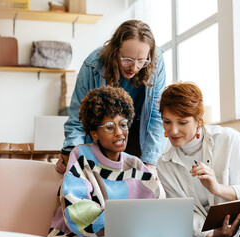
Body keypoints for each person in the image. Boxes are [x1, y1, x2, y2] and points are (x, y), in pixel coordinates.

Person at [156, 82, 240, 237]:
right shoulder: (165, 164)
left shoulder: (230, 140)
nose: (173, 131)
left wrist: (217, 188)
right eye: (167, 122)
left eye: (182, 122)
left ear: (199, 120)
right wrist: (211, 236)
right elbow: (182, 213)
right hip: (212, 235)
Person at [48, 86, 160, 237]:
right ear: (94, 134)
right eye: (109, 127)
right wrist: (126, 221)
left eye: (123, 124)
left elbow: (157, 208)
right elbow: (77, 212)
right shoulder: (81, 156)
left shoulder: (136, 165)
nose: (119, 133)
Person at [56, 19, 167, 174]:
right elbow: (78, 119)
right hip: (104, 137)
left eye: (141, 61)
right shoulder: (92, 65)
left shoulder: (156, 62)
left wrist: (150, 163)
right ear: (115, 51)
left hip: (138, 136)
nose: (134, 67)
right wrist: (71, 153)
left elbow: (156, 116)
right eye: (127, 59)